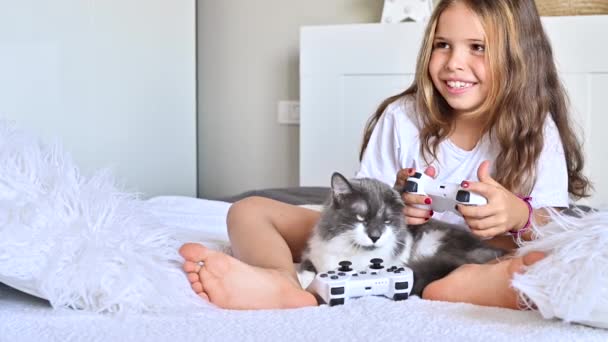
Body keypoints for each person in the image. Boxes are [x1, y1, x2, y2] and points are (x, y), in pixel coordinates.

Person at [179, 0, 590, 310]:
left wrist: (516, 216)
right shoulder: (403, 116)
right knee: (246, 212)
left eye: (478, 47)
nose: (453, 64)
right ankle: (283, 283)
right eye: (442, 45)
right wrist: (396, 203)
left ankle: (484, 285)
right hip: (388, 242)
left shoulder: (536, 132)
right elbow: (362, 196)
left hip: (467, 257)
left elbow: (554, 230)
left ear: (519, 57)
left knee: (513, 268)